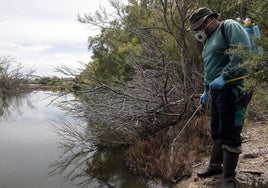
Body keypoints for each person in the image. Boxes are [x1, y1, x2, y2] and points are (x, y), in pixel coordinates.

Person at [188, 7, 252, 188]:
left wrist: (224, 77)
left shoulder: (229, 26)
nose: (197, 33)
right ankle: (215, 166)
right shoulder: (208, 41)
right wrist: (206, 89)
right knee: (217, 130)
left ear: (207, 21)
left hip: (234, 89)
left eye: (197, 28)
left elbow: (242, 54)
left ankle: (229, 178)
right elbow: (210, 68)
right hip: (217, 92)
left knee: (230, 132)